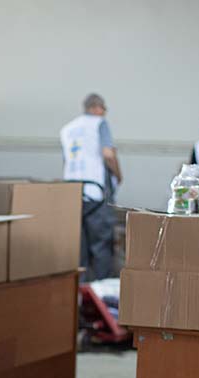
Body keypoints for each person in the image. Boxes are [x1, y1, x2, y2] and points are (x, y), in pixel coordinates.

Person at [61, 93, 122, 281]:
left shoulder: (67, 129)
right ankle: (101, 293)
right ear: (97, 108)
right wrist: (118, 175)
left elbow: (67, 161)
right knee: (101, 245)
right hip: (96, 193)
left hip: (73, 193)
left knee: (80, 247)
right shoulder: (99, 123)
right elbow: (108, 154)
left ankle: (80, 294)